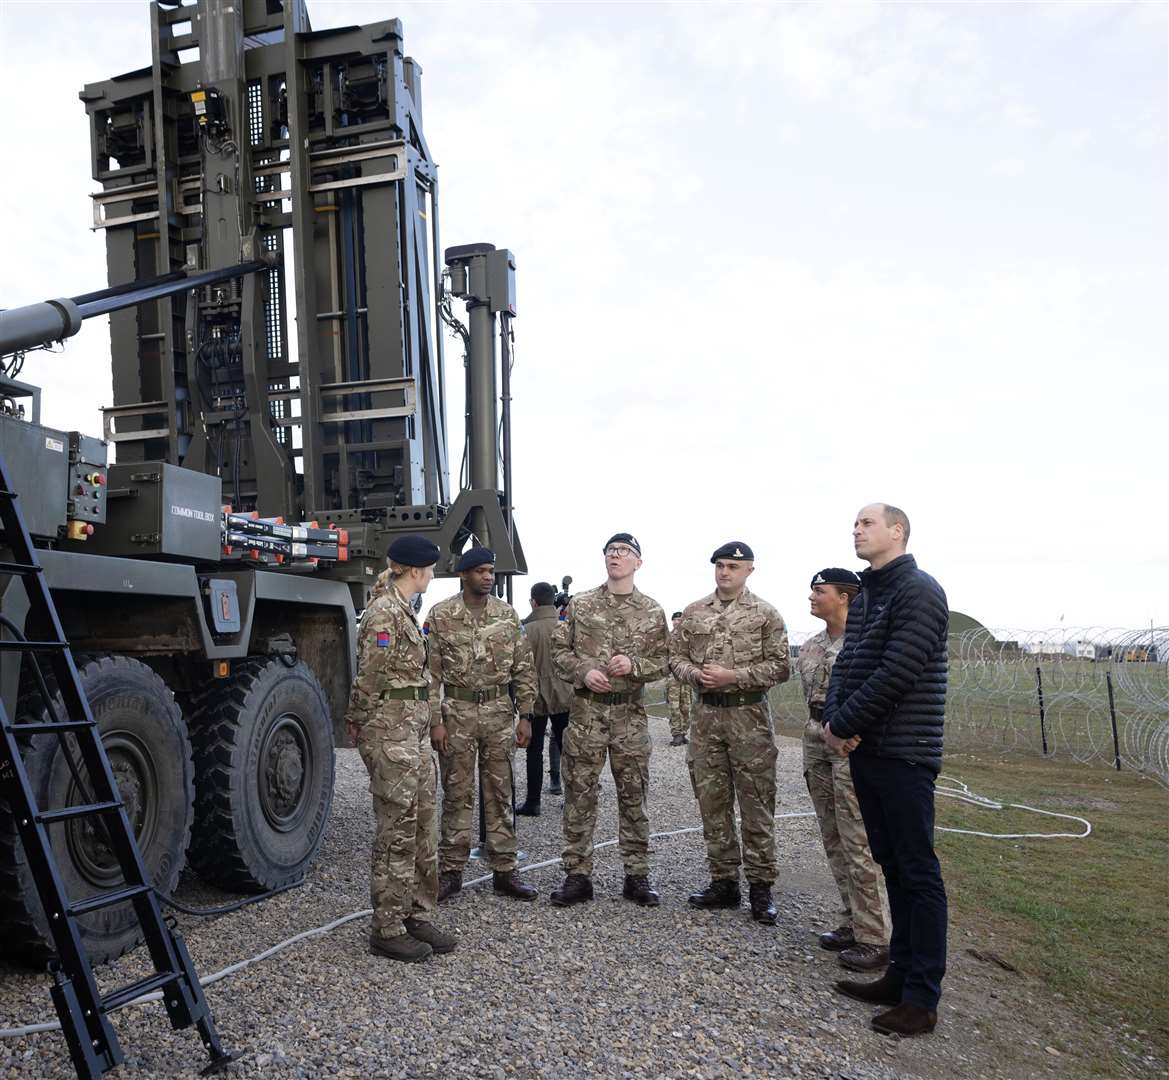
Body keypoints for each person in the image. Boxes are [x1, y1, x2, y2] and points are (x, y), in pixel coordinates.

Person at [824, 504, 949, 1037]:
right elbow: (848, 663)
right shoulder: (872, 592)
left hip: (904, 750)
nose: (856, 529)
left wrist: (844, 722)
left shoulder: (918, 590)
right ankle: (898, 976)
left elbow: (900, 670)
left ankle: (922, 997)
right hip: (870, 747)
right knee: (892, 865)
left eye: (867, 523)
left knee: (917, 871)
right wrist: (835, 718)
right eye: (854, 523)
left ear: (896, 532)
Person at [346, 534, 456, 962]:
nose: (432, 575)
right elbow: (370, 678)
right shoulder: (383, 613)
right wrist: (358, 723)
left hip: (412, 732)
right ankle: (387, 925)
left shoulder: (404, 611)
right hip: (390, 733)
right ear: (415, 570)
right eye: (430, 569)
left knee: (424, 822)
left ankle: (417, 912)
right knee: (397, 828)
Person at [670, 542, 789, 924]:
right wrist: (695, 675)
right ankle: (723, 881)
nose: (724, 572)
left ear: (749, 570)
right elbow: (676, 658)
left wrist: (733, 676)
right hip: (706, 718)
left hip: (748, 717)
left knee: (756, 803)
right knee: (712, 801)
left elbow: (781, 667)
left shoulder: (765, 614)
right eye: (720, 565)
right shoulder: (694, 612)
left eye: (733, 566)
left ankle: (761, 886)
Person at [549, 532, 669, 907]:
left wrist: (635, 666)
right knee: (580, 793)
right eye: (611, 551)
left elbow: (665, 660)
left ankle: (636, 875)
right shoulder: (581, 604)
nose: (616, 556)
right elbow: (558, 650)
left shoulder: (651, 610)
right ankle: (577, 875)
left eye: (625, 552)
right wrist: (583, 670)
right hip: (586, 713)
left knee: (634, 795)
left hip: (629, 715)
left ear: (638, 562)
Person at [428, 546, 538, 902]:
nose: (488, 577)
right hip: (456, 712)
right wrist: (435, 722)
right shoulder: (442, 615)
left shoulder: (507, 615)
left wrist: (527, 715)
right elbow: (430, 675)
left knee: (500, 793)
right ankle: (451, 871)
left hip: (497, 711)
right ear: (464, 574)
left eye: (491, 571)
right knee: (457, 794)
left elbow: (523, 668)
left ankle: (505, 871)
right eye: (481, 571)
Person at [798, 568, 890, 972]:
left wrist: (854, 731)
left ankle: (875, 936)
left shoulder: (868, 643)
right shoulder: (812, 645)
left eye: (820, 592)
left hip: (851, 743)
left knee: (857, 840)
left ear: (846, 598)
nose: (812, 597)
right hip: (816, 737)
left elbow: (879, 694)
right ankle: (853, 920)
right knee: (832, 835)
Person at [517, 581, 574, 816]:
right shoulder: (566, 627)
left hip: (534, 696)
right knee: (568, 748)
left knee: (534, 750)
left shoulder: (525, 629)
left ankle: (533, 802)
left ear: (533, 602)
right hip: (565, 696)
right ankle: (573, 799)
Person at [665, 612, 692, 747]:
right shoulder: (667, 637)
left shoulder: (688, 637)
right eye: (674, 620)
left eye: (679, 619)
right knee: (674, 707)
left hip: (685, 678)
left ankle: (683, 733)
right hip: (672, 677)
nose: (677, 622)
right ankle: (676, 734)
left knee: (685, 706)